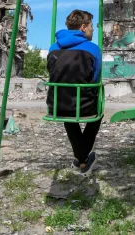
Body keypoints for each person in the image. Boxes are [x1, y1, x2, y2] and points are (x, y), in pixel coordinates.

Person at [46, 10, 102, 175]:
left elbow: (51, 70)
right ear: (83, 27)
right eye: (91, 26)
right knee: (97, 110)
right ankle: (83, 157)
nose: (93, 29)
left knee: (68, 107)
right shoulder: (93, 49)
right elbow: (95, 78)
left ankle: (80, 159)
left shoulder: (53, 47)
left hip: (56, 105)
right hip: (83, 106)